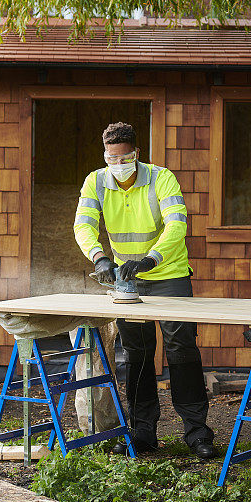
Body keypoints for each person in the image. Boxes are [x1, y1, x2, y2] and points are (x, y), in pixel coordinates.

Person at [73, 122, 217, 459]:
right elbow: (83, 224)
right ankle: (143, 431)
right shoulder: (95, 181)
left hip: (168, 274)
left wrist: (151, 259)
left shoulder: (161, 177)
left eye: (125, 158)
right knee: (136, 353)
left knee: (181, 348)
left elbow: (177, 222)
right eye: (112, 158)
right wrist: (98, 258)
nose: (119, 164)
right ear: (105, 156)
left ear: (136, 155)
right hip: (127, 279)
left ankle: (197, 432)